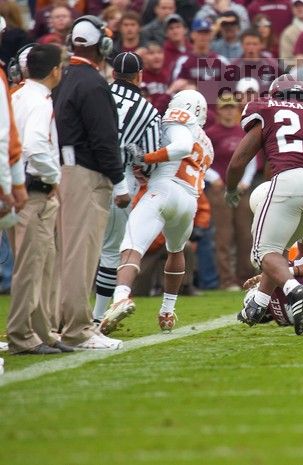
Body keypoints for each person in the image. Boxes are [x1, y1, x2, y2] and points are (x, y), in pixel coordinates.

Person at [224, 74, 303, 336]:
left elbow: (239, 160)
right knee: (278, 250)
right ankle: (258, 305)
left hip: (289, 181)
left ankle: (293, 289)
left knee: (263, 253)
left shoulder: (267, 109)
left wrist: (231, 188)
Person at [100, 90, 214, 335]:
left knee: (131, 246)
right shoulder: (208, 143)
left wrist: (145, 158)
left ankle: (120, 298)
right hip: (189, 201)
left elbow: (181, 147)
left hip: (164, 191)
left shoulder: (179, 118)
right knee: (176, 250)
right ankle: (167, 310)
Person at [54, 15, 129, 350]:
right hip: (84, 175)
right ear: (104, 46)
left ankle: (55, 324)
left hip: (62, 171)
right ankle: (77, 329)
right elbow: (104, 140)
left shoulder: (63, 77)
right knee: (81, 255)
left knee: (63, 253)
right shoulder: (92, 83)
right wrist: (119, 179)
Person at [6, 45, 70, 355]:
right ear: (55, 70)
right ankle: (22, 334)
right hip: (35, 191)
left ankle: (42, 331)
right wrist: (54, 175)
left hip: (22, 188)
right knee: (32, 266)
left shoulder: (17, 95)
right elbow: (32, 143)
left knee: (41, 265)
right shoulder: (39, 101)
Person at [92, 52, 161, 325]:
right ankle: (97, 316)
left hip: (81, 176)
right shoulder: (148, 111)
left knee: (74, 247)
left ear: (113, 74)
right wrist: (136, 160)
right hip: (120, 184)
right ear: (139, 75)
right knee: (110, 250)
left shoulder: (96, 94)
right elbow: (149, 161)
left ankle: (62, 313)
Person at [205, 82, 260, 291]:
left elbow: (252, 158)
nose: (228, 112)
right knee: (223, 235)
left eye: (231, 107)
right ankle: (226, 280)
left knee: (246, 234)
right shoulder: (211, 133)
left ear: (237, 109)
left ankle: (245, 277)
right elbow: (203, 159)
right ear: (219, 111)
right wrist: (213, 178)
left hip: (241, 188)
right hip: (220, 189)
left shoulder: (242, 131)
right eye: (224, 108)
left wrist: (245, 181)